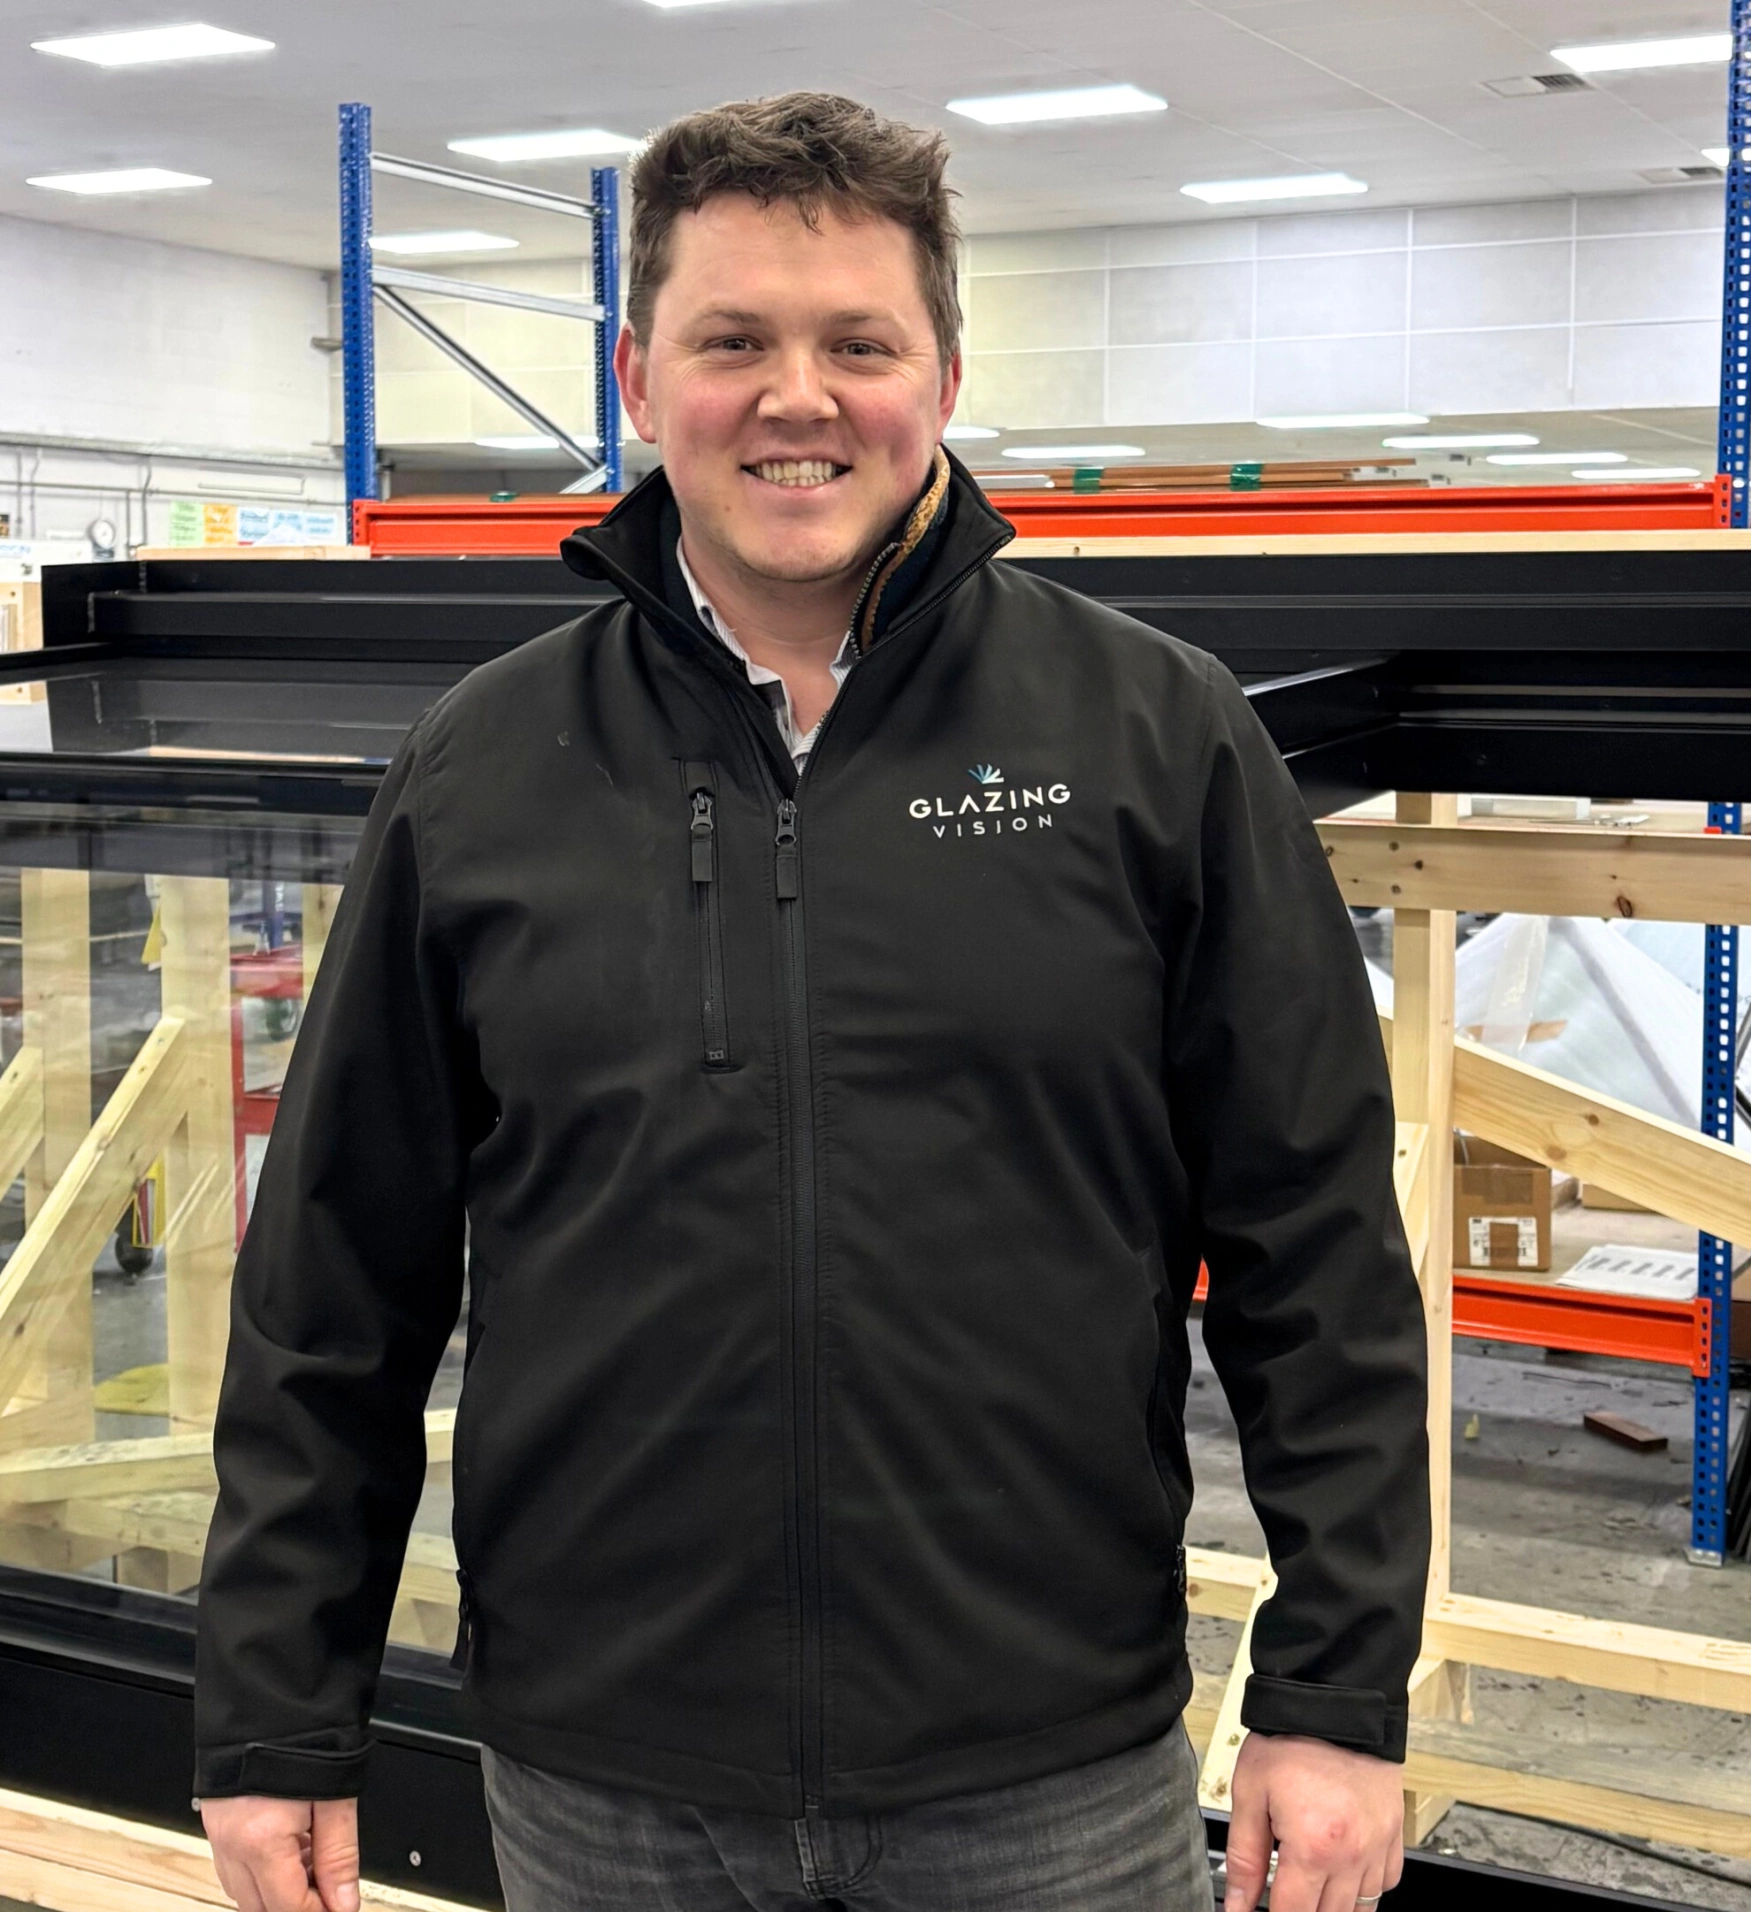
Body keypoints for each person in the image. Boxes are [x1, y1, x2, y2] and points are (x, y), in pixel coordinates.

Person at [195, 92, 1429, 1912]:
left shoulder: (1154, 740)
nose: (798, 397)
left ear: (942, 369)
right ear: (637, 374)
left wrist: (1335, 1696)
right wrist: (278, 1714)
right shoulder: (485, 768)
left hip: (1046, 1773)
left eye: (858, 342)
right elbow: (335, 1281)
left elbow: (1316, 1248)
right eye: (733, 341)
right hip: (606, 1778)